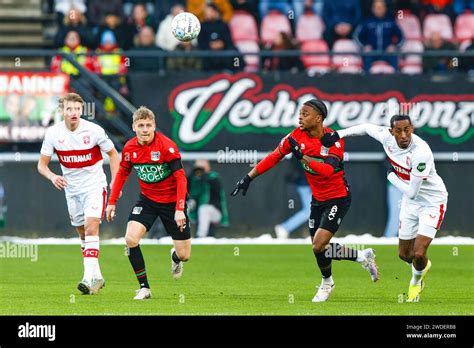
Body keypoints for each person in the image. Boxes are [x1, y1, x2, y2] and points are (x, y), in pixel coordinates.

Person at [231, 98, 379, 302]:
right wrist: (248, 177)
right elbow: (274, 157)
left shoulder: (333, 140)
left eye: (305, 114)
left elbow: (328, 171)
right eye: (299, 113)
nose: (300, 117)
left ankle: (327, 284)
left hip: (338, 198)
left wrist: (303, 157)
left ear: (319, 118)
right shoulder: (295, 136)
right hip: (317, 199)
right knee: (320, 248)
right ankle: (362, 257)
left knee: (318, 244)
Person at [321, 115, 448, 302]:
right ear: (391, 131)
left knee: (419, 252)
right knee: (405, 255)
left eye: (407, 130)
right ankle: (422, 266)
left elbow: (413, 192)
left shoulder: (421, 152)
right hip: (410, 203)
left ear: (412, 128)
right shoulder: (385, 136)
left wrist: (391, 177)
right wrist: (338, 134)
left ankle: (416, 281)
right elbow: (364, 127)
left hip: (432, 201)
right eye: (399, 131)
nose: (404, 135)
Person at [37, 92, 120, 294]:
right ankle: (97, 277)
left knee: (92, 228)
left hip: (94, 185)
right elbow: (42, 165)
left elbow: (113, 154)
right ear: (62, 111)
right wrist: (53, 177)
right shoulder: (53, 134)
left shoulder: (94, 131)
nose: (74, 113)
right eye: (69, 109)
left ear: (81, 110)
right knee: (82, 233)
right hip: (71, 190)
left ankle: (87, 278)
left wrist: (114, 183)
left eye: (77, 109)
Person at [105, 106, 191, 300]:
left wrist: (179, 209)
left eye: (148, 125)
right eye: (141, 125)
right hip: (148, 200)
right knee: (130, 239)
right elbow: (122, 174)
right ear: (134, 127)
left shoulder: (167, 146)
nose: (145, 129)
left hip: (172, 203)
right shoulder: (129, 148)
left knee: (185, 254)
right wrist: (112, 202)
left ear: (154, 126)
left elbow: (181, 178)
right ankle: (144, 288)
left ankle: (175, 256)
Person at [353, 0, 404, 71]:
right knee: (366, 61)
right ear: (373, 9)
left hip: (387, 52)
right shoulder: (367, 22)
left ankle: (396, 80)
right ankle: (366, 80)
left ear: (385, 8)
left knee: (395, 59)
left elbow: (401, 37)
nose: (379, 10)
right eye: (377, 8)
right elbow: (356, 37)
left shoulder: (391, 22)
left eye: (381, 7)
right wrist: (364, 47)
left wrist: (395, 47)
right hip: (371, 53)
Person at [187, 160, 229, 238]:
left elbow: (217, 189)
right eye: (197, 168)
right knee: (182, 207)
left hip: (215, 213)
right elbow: (187, 188)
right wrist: (193, 173)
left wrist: (203, 175)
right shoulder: (194, 179)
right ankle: (175, 236)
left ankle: (201, 236)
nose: (199, 171)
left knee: (204, 208)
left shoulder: (213, 177)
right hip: (196, 211)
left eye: (201, 168)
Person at [274, 156, 312, 239]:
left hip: (310, 183)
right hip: (305, 183)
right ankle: (285, 227)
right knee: (309, 211)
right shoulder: (298, 151)